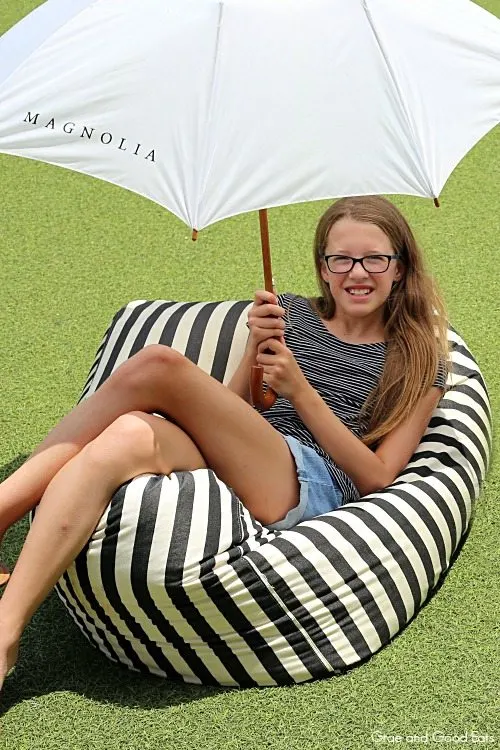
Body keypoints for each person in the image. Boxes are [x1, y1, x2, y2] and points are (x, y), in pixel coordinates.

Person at [0, 196, 448, 691]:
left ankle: (3, 510)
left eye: (375, 259)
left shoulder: (419, 355)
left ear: (400, 268)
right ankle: (7, 628)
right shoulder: (289, 315)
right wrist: (256, 351)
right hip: (248, 457)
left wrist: (301, 392)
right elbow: (237, 404)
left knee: (158, 365)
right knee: (127, 433)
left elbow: (380, 477)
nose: (356, 273)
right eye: (340, 259)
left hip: (310, 481)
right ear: (323, 267)